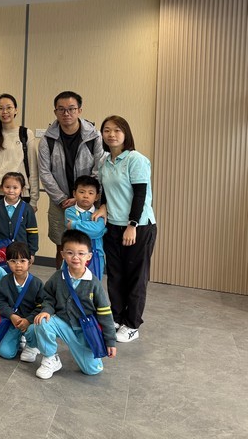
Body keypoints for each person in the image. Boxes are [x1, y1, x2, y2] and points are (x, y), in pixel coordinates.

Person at [93, 115, 157, 344]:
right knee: (116, 276)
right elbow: (106, 192)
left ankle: (132, 324)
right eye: (107, 130)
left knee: (136, 277)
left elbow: (140, 195)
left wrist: (132, 225)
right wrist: (103, 206)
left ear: (126, 133)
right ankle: (117, 317)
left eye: (117, 130)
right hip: (113, 226)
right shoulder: (105, 162)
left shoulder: (136, 159)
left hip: (138, 227)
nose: (111, 134)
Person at [33, 230, 117, 379]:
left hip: (84, 331)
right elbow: (48, 297)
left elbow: (105, 314)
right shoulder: (57, 277)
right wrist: (46, 310)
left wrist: (110, 341)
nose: (75, 257)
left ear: (89, 256)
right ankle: (50, 358)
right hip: (62, 323)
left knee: (93, 370)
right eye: (70, 253)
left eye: (81, 253)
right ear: (63, 254)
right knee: (42, 322)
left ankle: (80, 352)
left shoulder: (94, 283)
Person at [38, 91, 104, 268]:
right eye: (61, 109)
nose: (66, 113)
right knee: (62, 245)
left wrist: (81, 196)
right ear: (55, 112)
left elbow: (99, 169)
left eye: (71, 109)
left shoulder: (94, 137)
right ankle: (62, 281)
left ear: (79, 110)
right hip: (60, 202)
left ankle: (87, 281)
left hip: (88, 200)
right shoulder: (47, 139)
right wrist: (62, 199)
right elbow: (44, 172)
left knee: (88, 245)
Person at [0, 94, 40, 210]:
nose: (5, 112)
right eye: (1, 108)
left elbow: (33, 170)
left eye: (9, 108)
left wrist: (34, 200)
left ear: (16, 110)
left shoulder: (25, 134)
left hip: (18, 193)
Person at [0, 242, 44, 362]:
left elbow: (41, 306)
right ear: (7, 263)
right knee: (5, 352)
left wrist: (28, 320)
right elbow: (0, 302)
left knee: (38, 328)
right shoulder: (5, 281)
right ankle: (19, 340)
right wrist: (12, 316)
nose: (18, 265)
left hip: (31, 323)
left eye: (22, 261)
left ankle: (31, 343)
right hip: (14, 322)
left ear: (30, 262)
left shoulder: (37, 284)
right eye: (13, 261)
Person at [0, 172, 39, 266]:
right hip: (0, 251)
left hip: (21, 252)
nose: (11, 190)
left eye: (15, 188)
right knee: (0, 272)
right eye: (7, 187)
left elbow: (33, 232)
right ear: (2, 187)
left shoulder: (27, 209)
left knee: (18, 272)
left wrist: (32, 252)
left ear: (22, 189)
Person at [65, 176, 106, 280]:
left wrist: (74, 224)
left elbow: (98, 229)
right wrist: (96, 231)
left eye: (91, 193)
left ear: (97, 196)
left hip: (96, 254)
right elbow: (93, 232)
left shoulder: (99, 213)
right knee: (71, 282)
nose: (86, 196)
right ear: (74, 194)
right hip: (74, 255)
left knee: (94, 283)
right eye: (82, 192)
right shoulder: (70, 211)